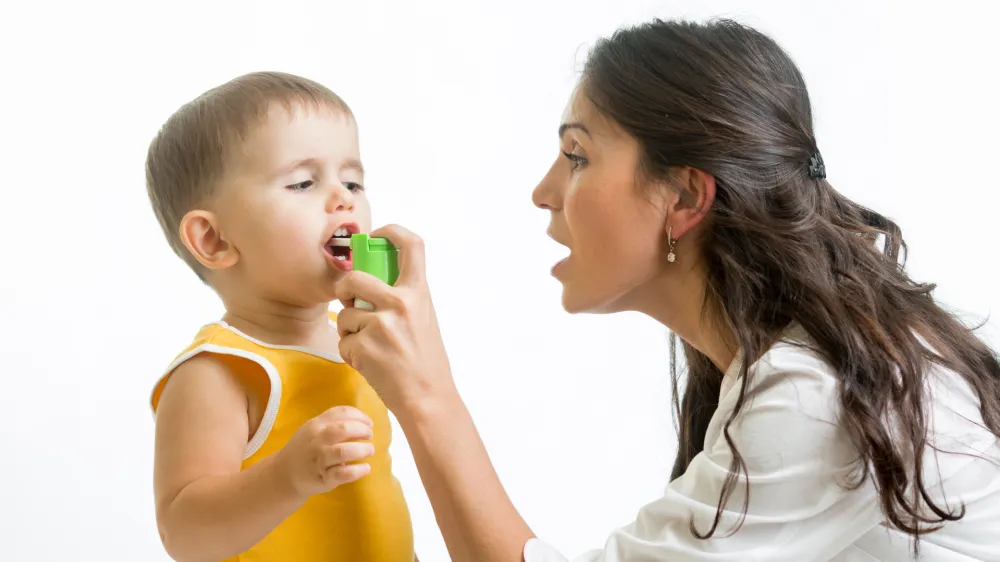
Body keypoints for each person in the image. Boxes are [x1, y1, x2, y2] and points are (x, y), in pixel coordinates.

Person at [333, 19, 1000, 562]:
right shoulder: (794, 359)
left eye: (577, 158)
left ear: (685, 195)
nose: (544, 193)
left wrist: (426, 397)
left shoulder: (812, 393)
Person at [145, 72, 415, 562]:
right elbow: (185, 536)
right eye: (303, 183)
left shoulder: (353, 339)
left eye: (352, 180)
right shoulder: (218, 370)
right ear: (214, 240)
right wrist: (289, 475)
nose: (343, 198)